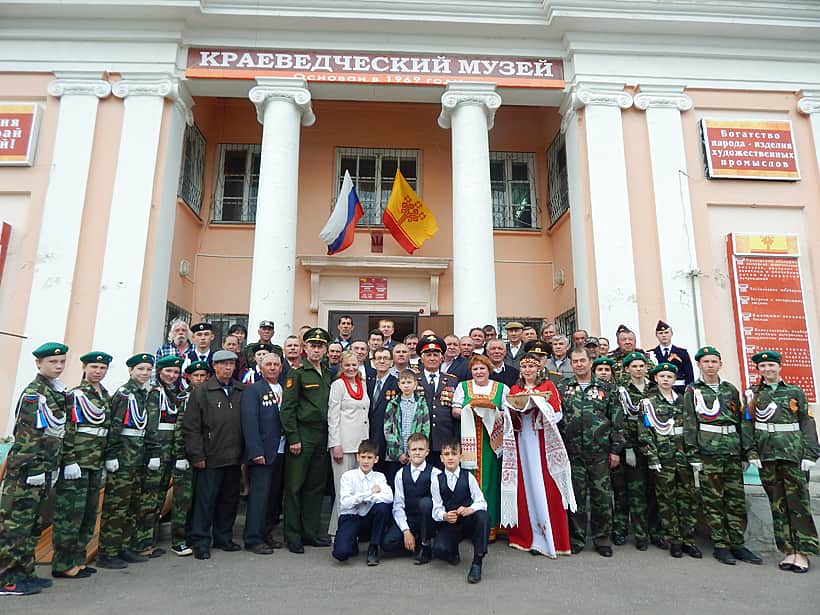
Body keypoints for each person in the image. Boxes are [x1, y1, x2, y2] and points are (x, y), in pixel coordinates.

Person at [683, 346, 762, 566]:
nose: (710, 365)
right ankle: (721, 544)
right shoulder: (693, 390)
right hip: (708, 452)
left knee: (735, 499)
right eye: (706, 362)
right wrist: (693, 454)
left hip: (732, 450)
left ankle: (737, 543)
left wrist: (746, 452)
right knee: (713, 500)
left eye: (714, 361)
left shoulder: (730, 389)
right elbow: (690, 423)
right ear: (699, 365)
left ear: (720, 364)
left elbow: (741, 421)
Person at [0, 342, 68, 596]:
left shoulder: (53, 391)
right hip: (26, 473)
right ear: (39, 363)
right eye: (53, 362)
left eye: (62, 362)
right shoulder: (34, 394)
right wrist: (34, 469)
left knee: (32, 526)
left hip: (43, 471)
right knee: (15, 527)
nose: (58, 366)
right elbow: (28, 436)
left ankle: (25, 573)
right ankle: (6, 579)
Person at [745, 350, 819, 573]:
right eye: (763, 366)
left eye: (771, 365)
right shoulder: (753, 393)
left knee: (798, 503)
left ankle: (803, 552)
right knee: (777, 504)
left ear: (779, 367)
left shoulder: (794, 391)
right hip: (767, 456)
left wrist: (810, 454)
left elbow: (807, 422)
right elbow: (747, 424)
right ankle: (788, 551)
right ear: (758, 370)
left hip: (792, 454)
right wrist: (751, 453)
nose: (767, 369)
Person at [502, 352, 574, 557]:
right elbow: (509, 414)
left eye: (531, 366)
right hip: (522, 442)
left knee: (545, 485)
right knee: (526, 486)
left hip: (542, 441)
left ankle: (550, 537)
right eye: (524, 367)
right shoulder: (515, 390)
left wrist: (539, 405)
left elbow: (557, 414)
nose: (528, 370)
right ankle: (530, 536)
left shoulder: (548, 387)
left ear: (539, 368)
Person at [558, 346, 624, 557]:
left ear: (590, 362)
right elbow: (557, 420)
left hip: (599, 453)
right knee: (576, 497)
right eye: (575, 361)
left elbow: (617, 420)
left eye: (582, 361)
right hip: (573, 452)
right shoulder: (563, 388)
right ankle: (576, 539)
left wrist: (615, 450)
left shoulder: (607, 388)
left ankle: (602, 539)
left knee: (601, 498)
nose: (579, 365)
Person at [52, 351, 112, 580]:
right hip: (77, 463)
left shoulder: (105, 395)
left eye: (102, 368)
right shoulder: (75, 395)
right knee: (70, 515)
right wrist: (69, 460)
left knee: (88, 514)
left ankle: (78, 559)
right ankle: (63, 563)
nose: (98, 371)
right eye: (94, 367)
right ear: (84, 368)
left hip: (95, 463)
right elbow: (67, 429)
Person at [183, 349, 245, 560]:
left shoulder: (240, 390)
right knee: (205, 501)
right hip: (210, 456)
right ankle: (200, 541)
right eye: (223, 364)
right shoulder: (202, 391)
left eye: (231, 364)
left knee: (229, 500)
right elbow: (191, 426)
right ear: (215, 366)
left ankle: (223, 537)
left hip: (234, 456)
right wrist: (197, 455)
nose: (228, 367)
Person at [97, 353, 156, 570]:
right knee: (116, 507)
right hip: (123, 459)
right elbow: (114, 426)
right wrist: (111, 455)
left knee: (132, 506)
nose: (145, 373)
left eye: (148, 369)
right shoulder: (124, 394)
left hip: (137, 458)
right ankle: (107, 552)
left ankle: (123, 547)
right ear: (131, 370)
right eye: (140, 369)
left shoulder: (142, 394)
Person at [638, 362, 701, 559]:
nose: (666, 379)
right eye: (662, 376)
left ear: (674, 379)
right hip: (663, 456)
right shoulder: (648, 402)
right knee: (667, 499)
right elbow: (645, 432)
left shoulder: (683, 401)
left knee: (688, 498)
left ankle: (688, 539)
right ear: (656, 379)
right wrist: (652, 456)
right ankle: (674, 539)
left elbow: (692, 428)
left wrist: (694, 455)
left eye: (669, 377)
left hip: (683, 456)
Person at [280, 327, 333, 554]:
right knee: (295, 486)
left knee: (315, 486)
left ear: (325, 350)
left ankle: (310, 533)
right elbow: (287, 408)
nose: (316, 350)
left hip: (322, 435)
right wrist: (293, 437)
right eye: (313, 346)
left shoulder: (328, 373)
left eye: (320, 346)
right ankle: (293, 535)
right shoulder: (298, 373)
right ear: (305, 348)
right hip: (303, 434)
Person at [134, 354, 185, 559]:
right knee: (149, 498)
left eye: (176, 372)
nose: (172, 375)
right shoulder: (155, 393)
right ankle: (142, 543)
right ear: (160, 372)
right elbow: (151, 426)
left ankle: (150, 541)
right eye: (168, 371)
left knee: (159, 497)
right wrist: (154, 453)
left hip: (170, 450)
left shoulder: (174, 393)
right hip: (157, 451)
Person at [453, 354, 507, 537]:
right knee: (468, 482)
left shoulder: (501, 388)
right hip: (469, 440)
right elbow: (455, 410)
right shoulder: (463, 387)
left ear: (489, 370)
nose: (478, 372)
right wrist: (470, 411)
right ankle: (468, 527)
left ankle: (490, 527)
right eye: (475, 369)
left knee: (491, 481)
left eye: (482, 368)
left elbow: (508, 412)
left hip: (491, 441)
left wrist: (490, 412)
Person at [240, 352, 286, 555]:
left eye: (276, 364)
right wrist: (255, 451)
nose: (273, 368)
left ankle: (267, 533)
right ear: (261, 367)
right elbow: (249, 422)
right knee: (259, 498)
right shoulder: (254, 390)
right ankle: (253, 538)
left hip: (281, 450)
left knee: (273, 497)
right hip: (263, 452)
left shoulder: (284, 388)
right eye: (269, 364)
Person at [611, 352, 656, 550]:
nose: (638, 369)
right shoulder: (621, 391)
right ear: (627, 369)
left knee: (651, 492)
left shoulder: (654, 389)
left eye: (641, 366)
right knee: (626, 492)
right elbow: (618, 420)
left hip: (652, 448)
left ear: (646, 368)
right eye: (634, 366)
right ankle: (624, 531)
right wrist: (625, 446)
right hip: (630, 447)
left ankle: (651, 531)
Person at [431, 438, 490, 584]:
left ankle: (477, 562)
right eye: (446, 454)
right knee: (439, 550)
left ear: (461, 457)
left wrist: (470, 509)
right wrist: (444, 516)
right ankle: (453, 551)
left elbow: (482, 502)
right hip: (450, 524)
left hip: (467, 522)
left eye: (454, 453)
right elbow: (436, 508)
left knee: (483, 517)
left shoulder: (468, 477)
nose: (450, 457)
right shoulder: (436, 480)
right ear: (441, 458)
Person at [327, 350, 371, 537]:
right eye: (347, 365)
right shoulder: (338, 385)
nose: (351, 368)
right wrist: (335, 443)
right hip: (343, 444)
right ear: (341, 366)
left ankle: (346, 529)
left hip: (361, 444)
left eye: (354, 365)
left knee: (357, 489)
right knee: (343, 490)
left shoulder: (362, 383)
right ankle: (341, 533)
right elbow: (333, 416)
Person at [331, 439, 394, 565]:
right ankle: (352, 540)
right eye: (363, 457)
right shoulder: (348, 476)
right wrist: (369, 493)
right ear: (357, 457)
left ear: (376, 459)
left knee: (382, 508)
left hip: (369, 518)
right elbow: (346, 503)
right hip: (350, 517)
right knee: (341, 554)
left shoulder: (379, 477)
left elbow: (389, 497)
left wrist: (361, 498)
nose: (366, 461)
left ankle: (373, 547)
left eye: (369, 458)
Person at [170, 359, 210, 557]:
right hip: (185, 456)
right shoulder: (183, 398)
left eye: (203, 376)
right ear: (189, 378)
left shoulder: (209, 395)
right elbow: (180, 428)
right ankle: (179, 539)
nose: (200, 379)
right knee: (183, 500)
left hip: (204, 453)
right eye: (196, 376)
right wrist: (180, 455)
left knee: (199, 498)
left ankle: (195, 534)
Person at [382, 432, 439, 563]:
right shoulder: (400, 474)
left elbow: (439, 504)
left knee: (426, 503)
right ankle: (416, 543)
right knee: (386, 544)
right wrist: (406, 531)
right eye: (414, 449)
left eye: (421, 449)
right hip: (410, 519)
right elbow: (398, 505)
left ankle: (426, 543)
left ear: (427, 452)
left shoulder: (435, 473)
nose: (417, 453)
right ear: (408, 452)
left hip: (429, 520)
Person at [416, 335, 459, 466]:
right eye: (428, 355)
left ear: (442, 358)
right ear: (422, 358)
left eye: (436, 355)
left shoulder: (452, 380)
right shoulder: (413, 378)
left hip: (445, 437)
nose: (432, 358)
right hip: (419, 438)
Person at [384, 369, 431, 469]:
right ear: (399, 385)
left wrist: (416, 452)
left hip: (416, 454)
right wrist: (399, 454)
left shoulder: (421, 403)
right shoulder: (393, 404)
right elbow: (388, 430)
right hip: (396, 453)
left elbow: (425, 428)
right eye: (403, 383)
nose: (406, 386)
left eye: (409, 382)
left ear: (415, 384)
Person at [366, 347, 399, 480]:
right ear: (373, 362)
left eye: (385, 358)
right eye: (378, 358)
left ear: (391, 362)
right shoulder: (367, 382)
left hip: (387, 439)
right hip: (368, 437)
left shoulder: (397, 384)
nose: (382, 361)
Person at [649, 320, 695, 393]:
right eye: (660, 333)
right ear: (656, 335)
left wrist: (689, 392)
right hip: (659, 391)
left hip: (680, 390)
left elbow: (689, 375)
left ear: (671, 334)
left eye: (666, 332)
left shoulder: (682, 353)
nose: (664, 335)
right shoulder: (651, 354)